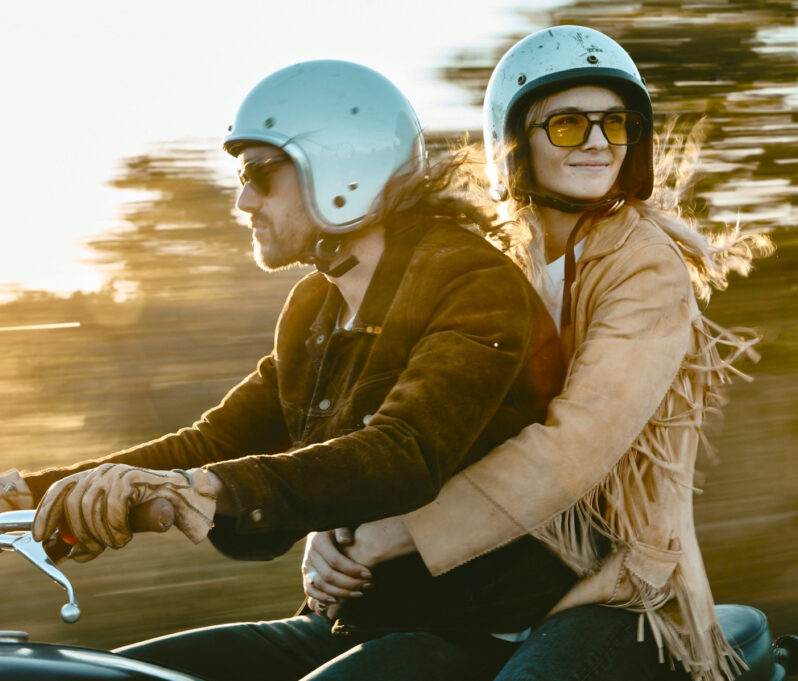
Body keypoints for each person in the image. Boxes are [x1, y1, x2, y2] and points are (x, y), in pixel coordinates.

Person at [0, 60, 579, 680]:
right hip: (346, 620)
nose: (242, 199)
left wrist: (203, 489)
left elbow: (403, 451)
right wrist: (17, 493)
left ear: (342, 169)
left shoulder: (469, 281)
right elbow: (212, 443)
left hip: (469, 634)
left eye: (260, 173)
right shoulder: (314, 308)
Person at [301, 26, 772, 681]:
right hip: (485, 588)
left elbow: (574, 447)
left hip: (615, 589)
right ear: (515, 141)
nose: (603, 143)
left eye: (618, 124)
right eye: (573, 125)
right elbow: (416, 405)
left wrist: (394, 534)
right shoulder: (491, 263)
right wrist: (336, 520)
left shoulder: (647, 270)